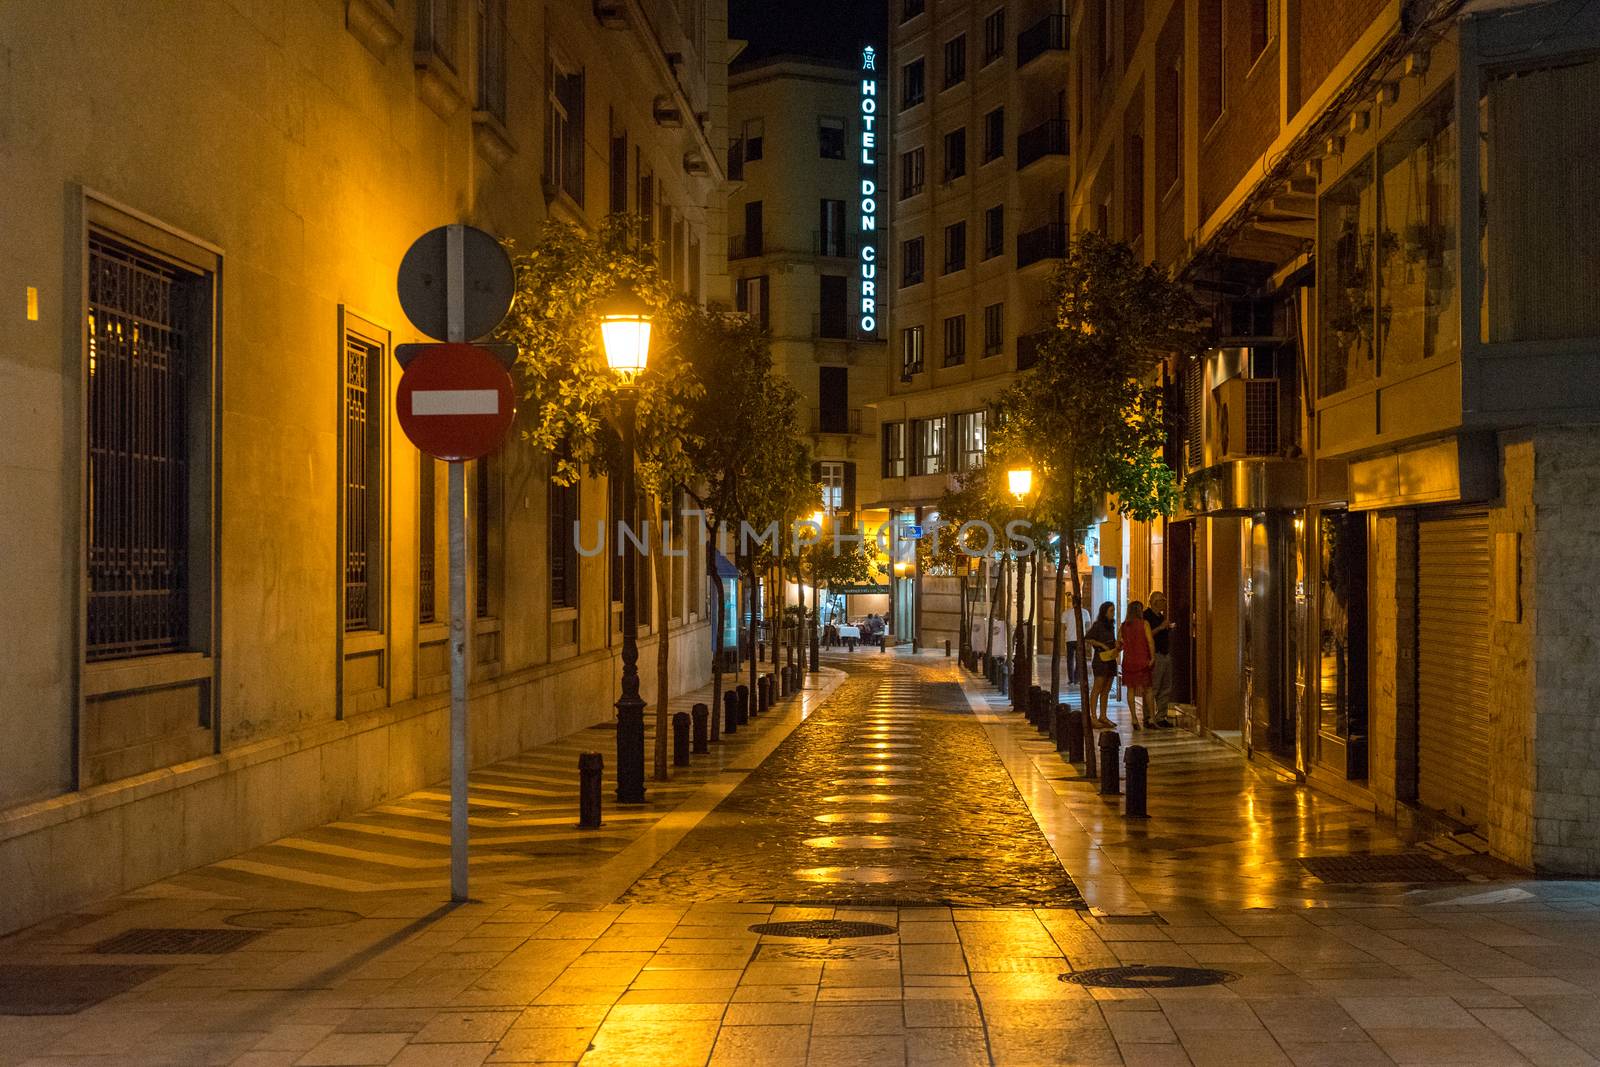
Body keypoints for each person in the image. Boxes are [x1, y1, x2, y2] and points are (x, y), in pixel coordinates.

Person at [1120, 600, 1156, 729]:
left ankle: (1134, 719)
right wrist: (1152, 657)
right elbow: (1150, 641)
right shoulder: (1144, 624)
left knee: (1130, 689)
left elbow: (1120, 642)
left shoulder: (1124, 626)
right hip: (1142, 660)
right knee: (1148, 690)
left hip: (1128, 661)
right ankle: (1151, 718)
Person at [1084, 601, 1120, 729]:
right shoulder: (1098, 625)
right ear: (1104, 612)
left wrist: (1117, 645)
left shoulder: (1111, 626)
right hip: (1100, 660)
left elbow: (1112, 640)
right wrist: (1101, 645)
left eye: (1114, 610)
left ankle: (1103, 716)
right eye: (1111, 610)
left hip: (1110, 658)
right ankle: (1093, 717)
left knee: (1107, 689)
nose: (1113, 613)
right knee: (1098, 688)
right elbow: (1088, 638)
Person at [1143, 592, 1175, 728]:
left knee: (1166, 687)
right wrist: (1161, 627)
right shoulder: (1146, 616)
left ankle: (1161, 716)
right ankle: (1148, 717)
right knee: (1153, 687)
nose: (1165, 602)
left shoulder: (1161, 616)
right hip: (1154, 655)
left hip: (1165, 654)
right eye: (1163, 600)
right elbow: (1146, 635)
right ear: (1155, 602)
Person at [1062, 595, 1089, 685]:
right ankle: (1077, 678)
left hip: (1069, 639)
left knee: (1070, 659)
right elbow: (1087, 626)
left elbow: (1064, 627)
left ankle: (1071, 679)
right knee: (1079, 659)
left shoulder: (1066, 613)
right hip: (1080, 639)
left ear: (1072, 602)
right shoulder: (1085, 612)